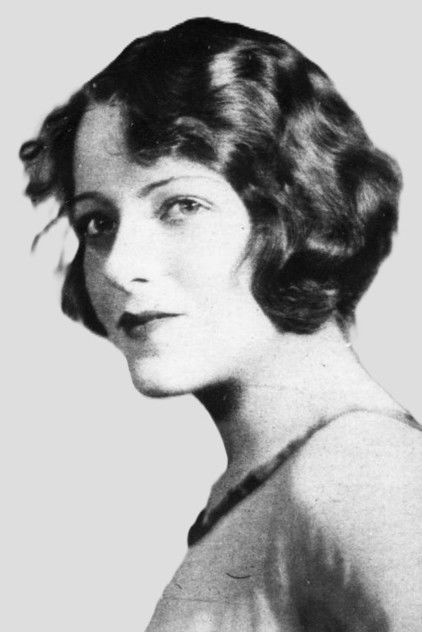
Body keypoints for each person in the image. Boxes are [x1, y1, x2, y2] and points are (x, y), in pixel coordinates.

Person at [20, 17, 422, 631]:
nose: (119, 265)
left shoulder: (358, 473)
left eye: (180, 205)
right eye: (98, 222)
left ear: (294, 209)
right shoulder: (270, 483)